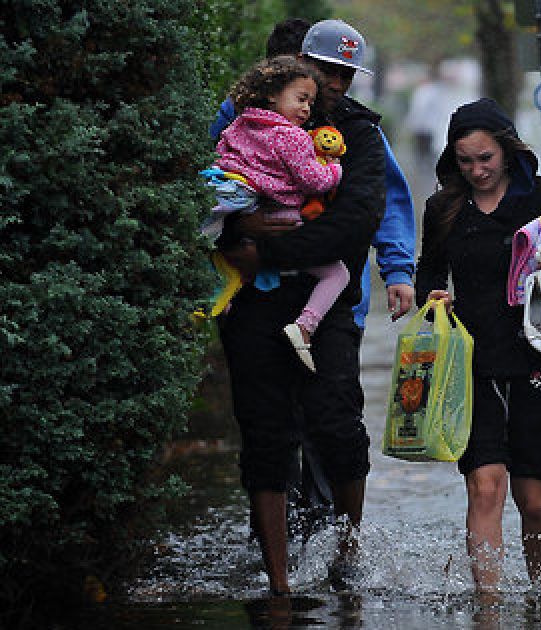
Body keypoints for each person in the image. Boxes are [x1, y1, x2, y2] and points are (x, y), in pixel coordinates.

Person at [208, 17, 417, 537]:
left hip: (334, 297)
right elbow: (213, 189)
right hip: (256, 297)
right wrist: (237, 232)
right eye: (327, 72)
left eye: (346, 74)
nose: (336, 84)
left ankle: (329, 539)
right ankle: (278, 544)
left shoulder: (357, 129)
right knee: (268, 429)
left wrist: (397, 268)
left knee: (332, 423)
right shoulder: (237, 117)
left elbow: (380, 203)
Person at [414, 98, 541, 593]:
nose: (477, 170)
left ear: (507, 151)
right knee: (484, 485)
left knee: (533, 499)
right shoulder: (443, 208)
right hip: (471, 363)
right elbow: (429, 272)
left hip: (539, 361)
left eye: (485, 159)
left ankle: (539, 592)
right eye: (465, 161)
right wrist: (431, 299)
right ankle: (489, 607)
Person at [213, 55, 349, 372]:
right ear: (273, 94)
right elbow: (313, 181)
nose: (306, 109)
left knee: (244, 270)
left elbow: (221, 156)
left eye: (310, 103)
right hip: (282, 218)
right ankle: (305, 326)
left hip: (243, 210)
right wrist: (335, 169)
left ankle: (225, 304)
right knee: (337, 273)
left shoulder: (241, 124)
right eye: (301, 99)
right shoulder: (292, 136)